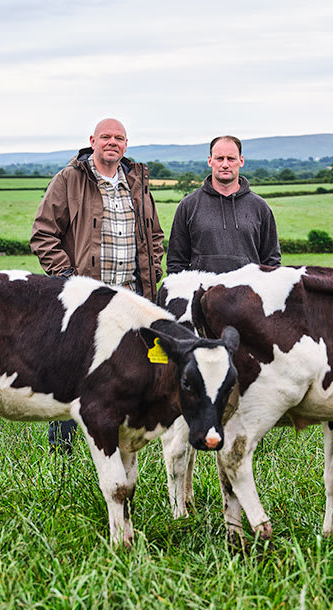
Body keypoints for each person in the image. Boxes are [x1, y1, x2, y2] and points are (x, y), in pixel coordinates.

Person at [31, 118, 164, 452]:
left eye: (119, 138)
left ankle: (120, 441)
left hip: (131, 297)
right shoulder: (70, 179)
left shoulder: (137, 182)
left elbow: (155, 235)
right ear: (92, 140)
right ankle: (62, 452)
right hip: (86, 298)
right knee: (74, 370)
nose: (112, 142)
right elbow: (43, 233)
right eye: (106, 137)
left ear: (126, 144)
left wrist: (153, 269)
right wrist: (66, 278)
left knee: (128, 368)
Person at [166, 135, 280, 274]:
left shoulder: (260, 207)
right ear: (210, 161)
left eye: (231, 158)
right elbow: (176, 263)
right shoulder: (188, 206)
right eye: (219, 158)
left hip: (247, 293)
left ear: (241, 161)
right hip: (203, 293)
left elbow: (272, 263)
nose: (225, 164)